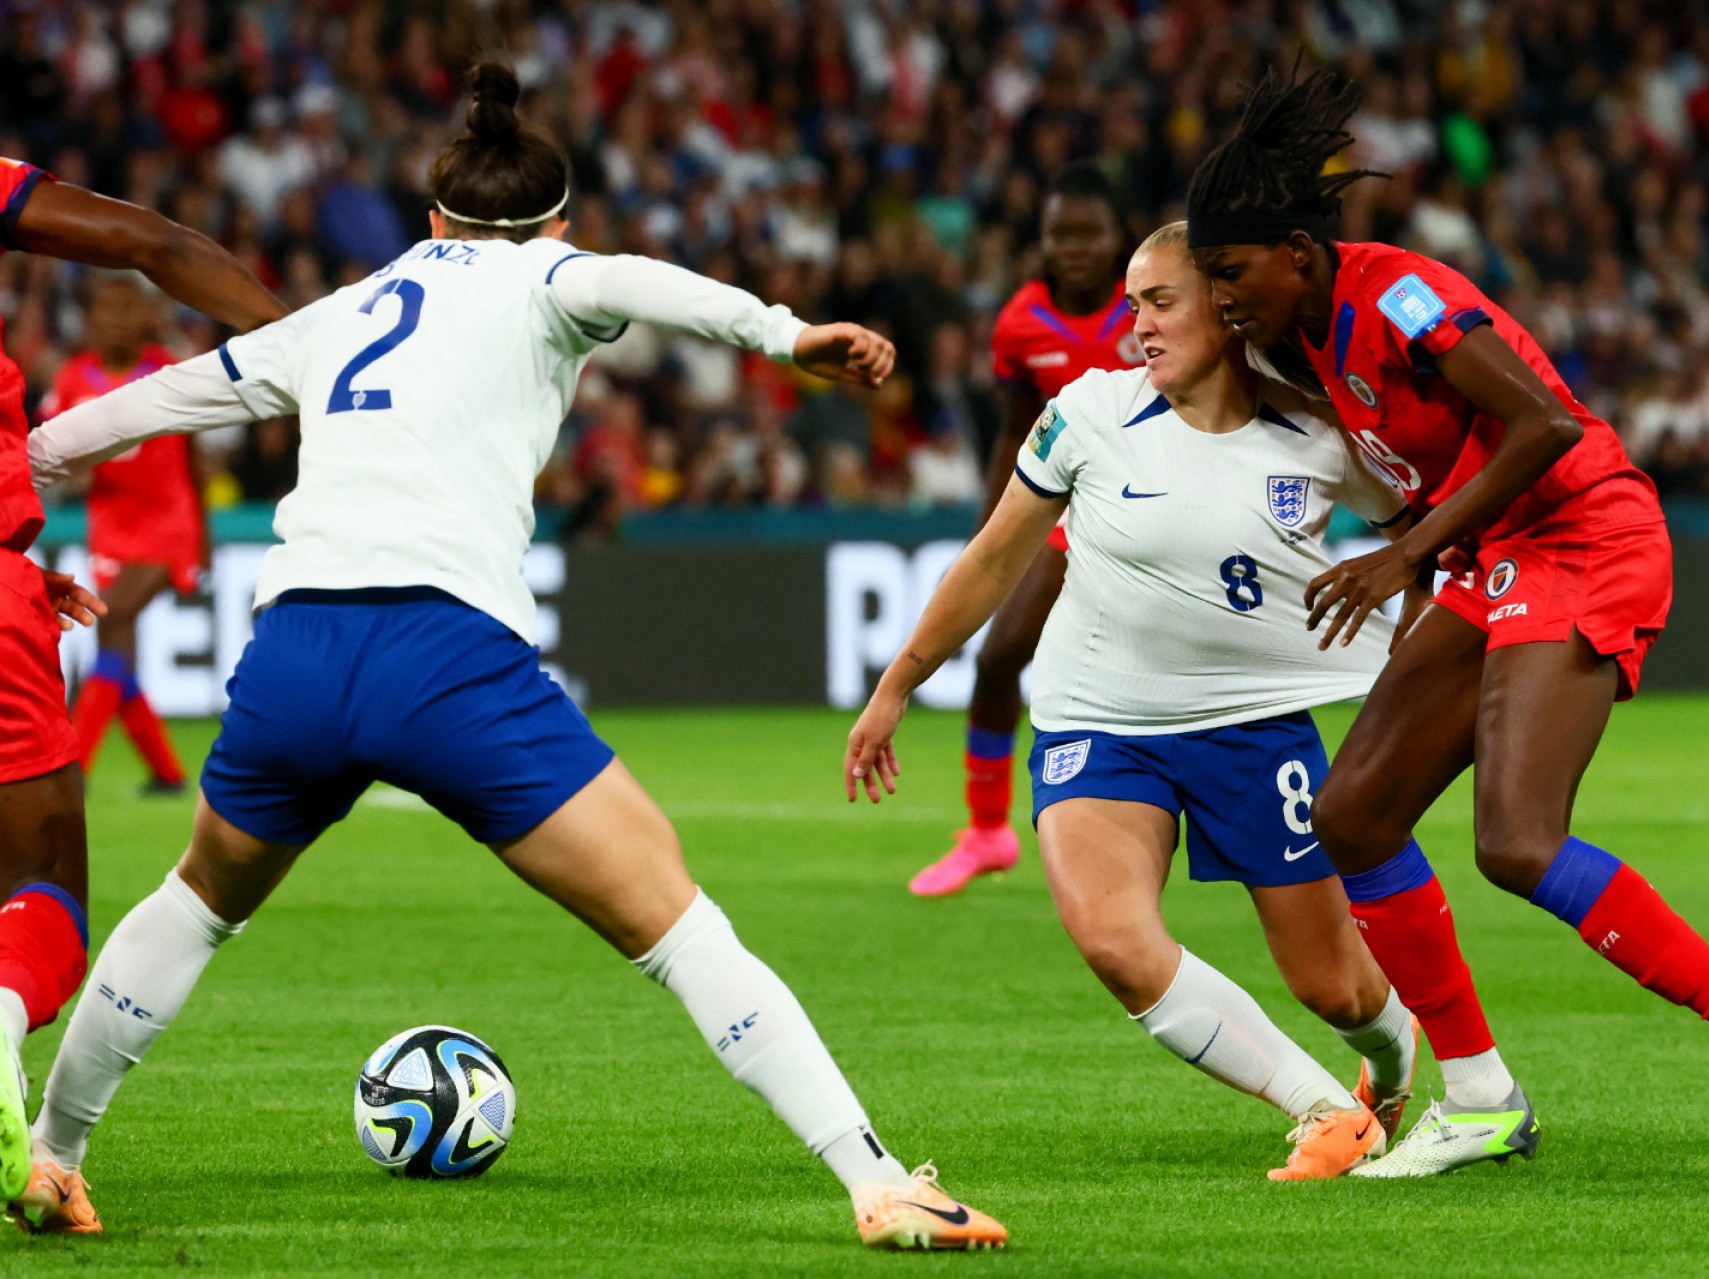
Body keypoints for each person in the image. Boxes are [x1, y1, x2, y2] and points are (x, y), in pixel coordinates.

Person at [17, 64, 1005, 1251]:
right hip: (445, 657)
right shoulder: (555, 275)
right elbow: (643, 282)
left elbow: (140, 406)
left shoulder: (344, 308)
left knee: (193, 903)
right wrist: (788, 333)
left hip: (295, 653)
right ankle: (876, 1180)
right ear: (555, 221)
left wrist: (20, 513)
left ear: (432, 220)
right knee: (679, 925)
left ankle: (55, 1155)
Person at [1184, 65, 1709, 1183]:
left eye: (1230, 271)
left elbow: (1543, 423)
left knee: (1517, 840)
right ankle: (1482, 1097)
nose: (1221, 296)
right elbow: (1419, 481)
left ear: (1298, 253)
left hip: (1586, 532)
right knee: (1352, 815)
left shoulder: (1399, 298)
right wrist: (1416, 582)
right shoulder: (1295, 346)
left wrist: (1404, 553)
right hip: (1489, 557)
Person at [846, 224, 1422, 1181]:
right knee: (1114, 939)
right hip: (1098, 719)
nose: (1136, 324)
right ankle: (1322, 1107)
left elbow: (1423, 544)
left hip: (1253, 726)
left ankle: (1390, 1062)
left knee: (1336, 985)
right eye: (1133, 302)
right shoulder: (1089, 411)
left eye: (1160, 301)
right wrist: (900, 679)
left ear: (1226, 310)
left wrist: (1419, 672)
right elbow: (995, 554)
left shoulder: (1320, 435)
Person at [0, 153, 287, 1209]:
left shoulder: (134, 370)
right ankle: (3, 1025)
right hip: (16, 581)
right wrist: (313, 346)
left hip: (145, 539)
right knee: (41, 895)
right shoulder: (77, 369)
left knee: (114, 644)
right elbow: (151, 239)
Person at [910, 163, 1144, 897]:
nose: (1073, 248)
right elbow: (1013, 435)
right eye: (1059, 234)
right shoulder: (1019, 323)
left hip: (1162, 510)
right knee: (997, 655)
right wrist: (991, 536)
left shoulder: (1153, 306)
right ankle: (986, 831)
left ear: (1118, 240)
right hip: (1071, 513)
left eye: (1089, 233)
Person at [41, 275, 204, 794]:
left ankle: (75, 763)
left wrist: (206, 535)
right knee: (117, 642)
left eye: (125, 311)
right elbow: (54, 454)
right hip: (110, 529)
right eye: (105, 312)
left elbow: (195, 453)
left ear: (145, 318)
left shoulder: (168, 371)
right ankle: (167, 772)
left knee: (117, 617)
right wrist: (75, 475)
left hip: (168, 527)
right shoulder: (73, 378)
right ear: (90, 321)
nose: (114, 321)